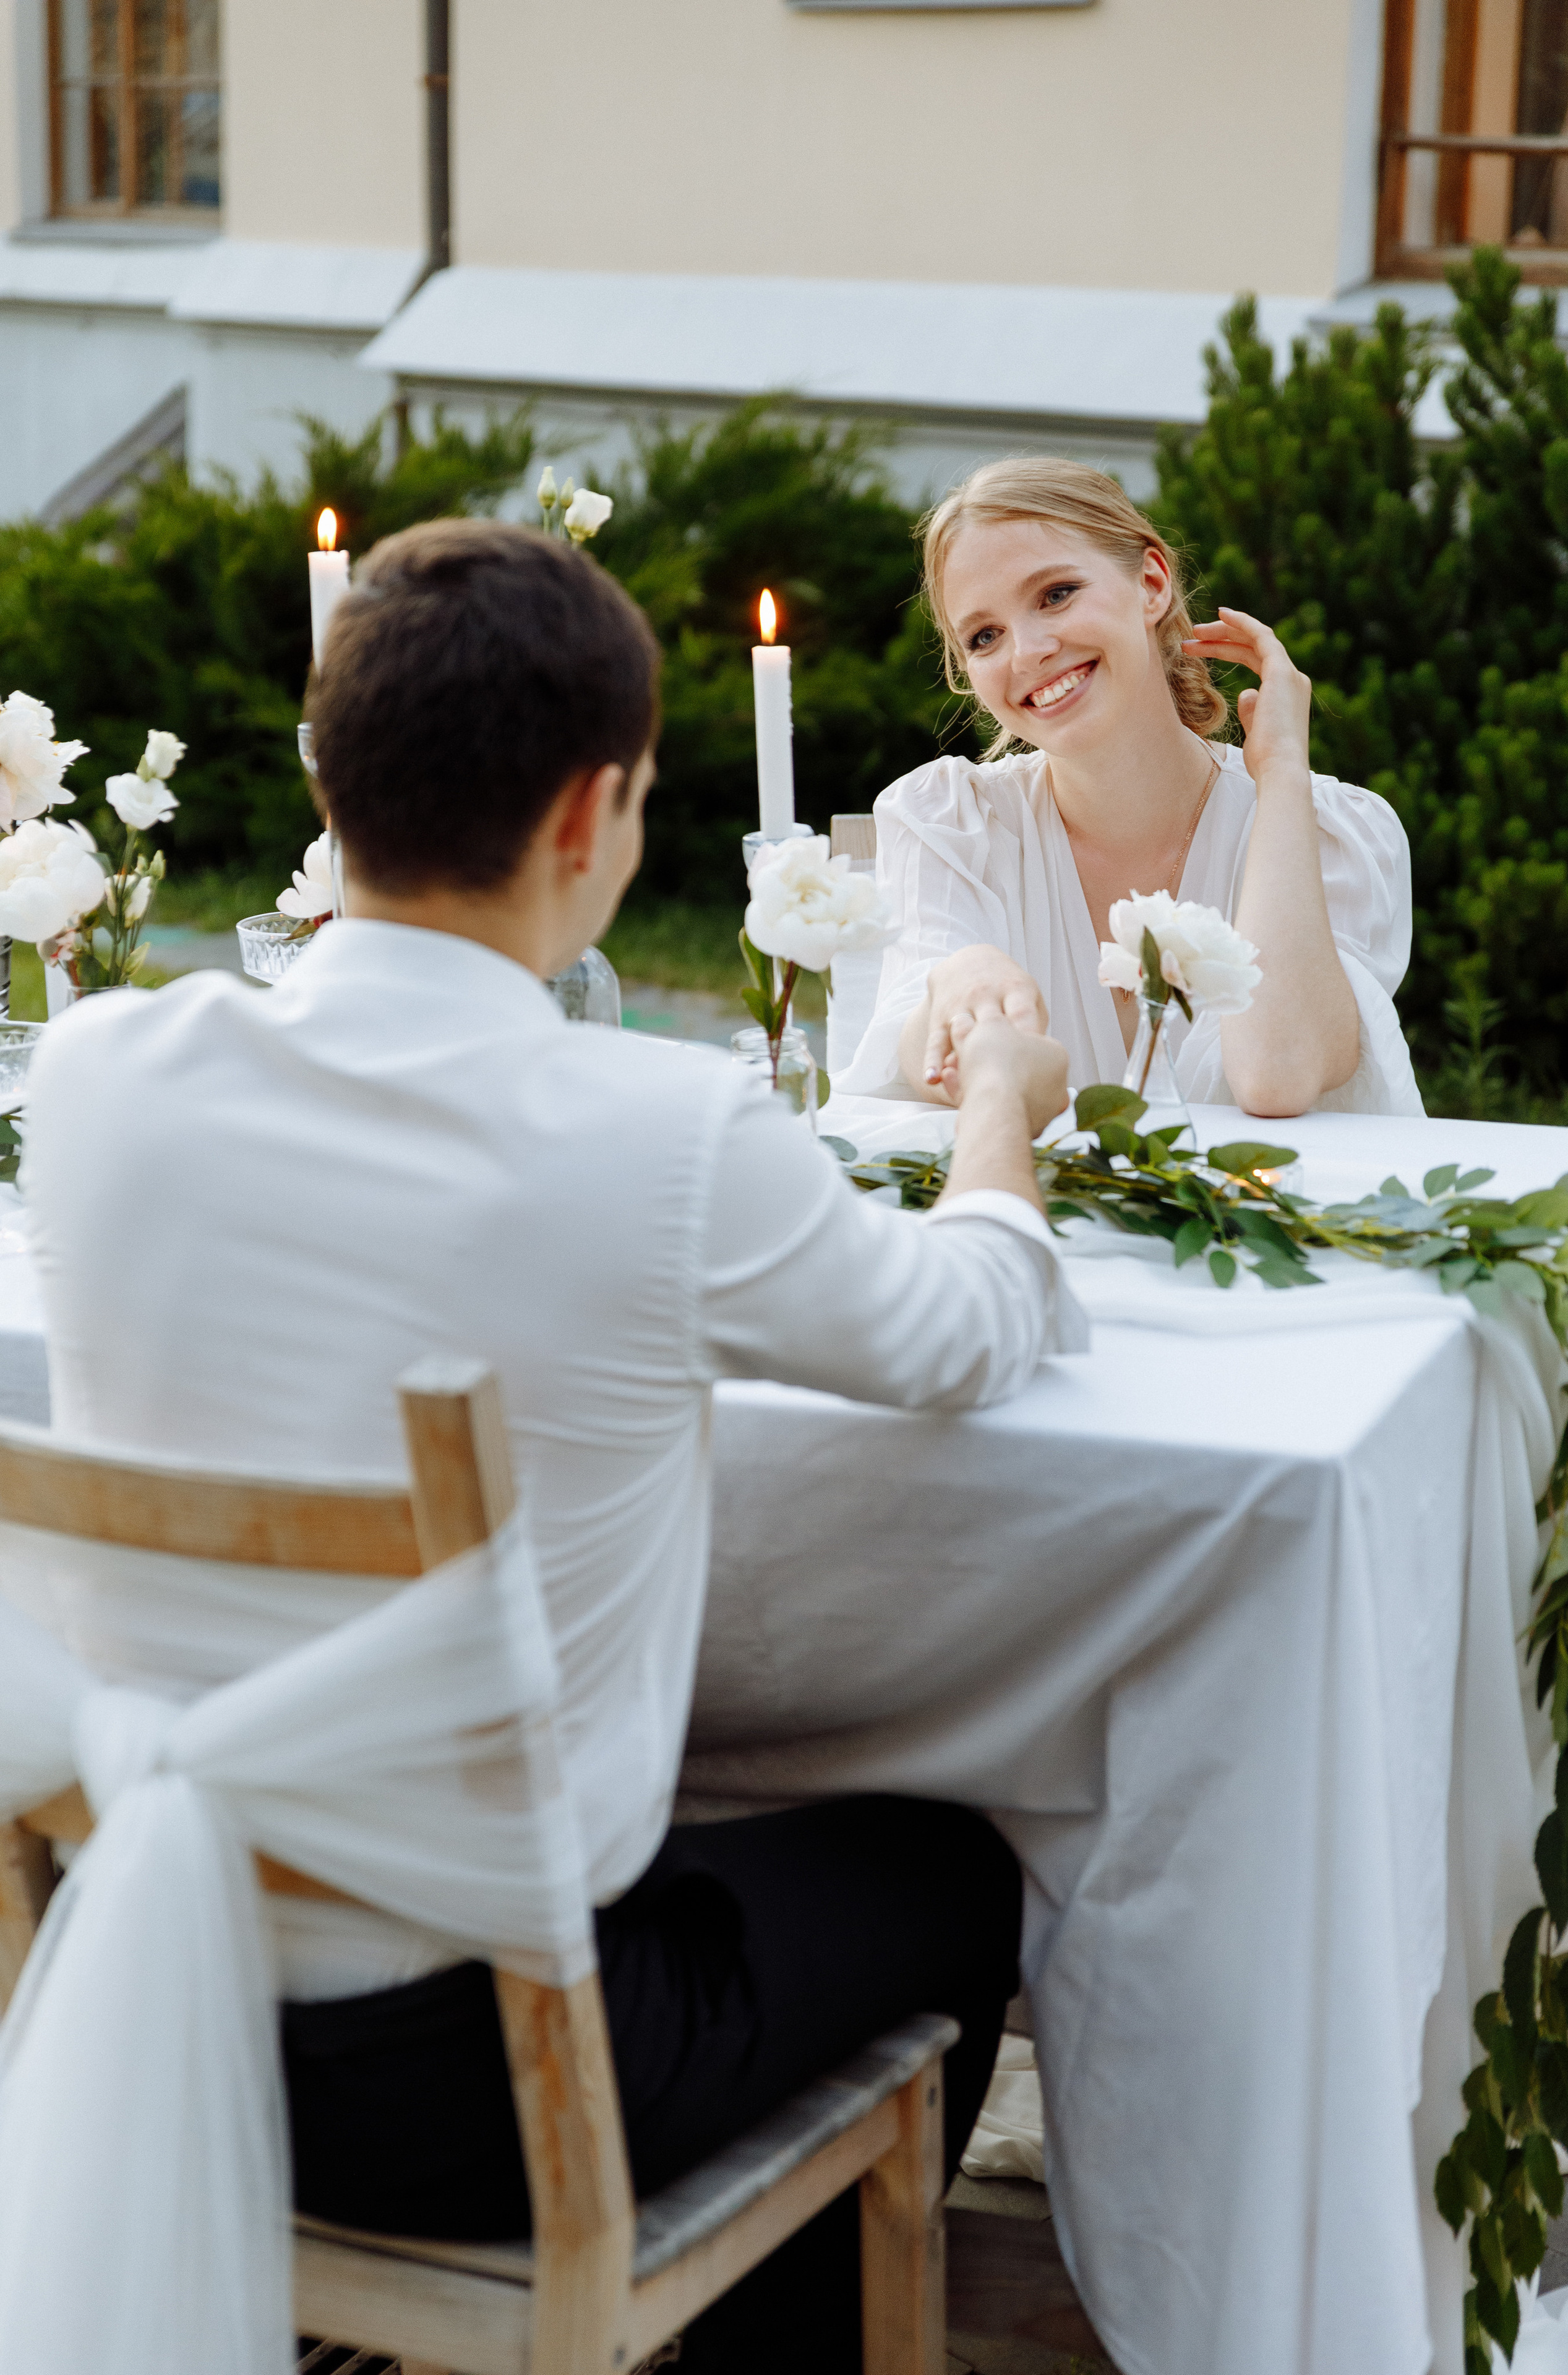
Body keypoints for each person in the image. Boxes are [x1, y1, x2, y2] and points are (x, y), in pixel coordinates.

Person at [23, 518, 1079, 2374]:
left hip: (128, 1983)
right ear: (592, 812)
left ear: (325, 778)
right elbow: (969, 1331)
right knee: (946, 1864)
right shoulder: (659, 1131)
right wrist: (998, 1095)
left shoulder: (98, 1075)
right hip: (479, 2092)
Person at [836, 458, 1423, 1121]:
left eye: (1055, 594)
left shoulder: (1330, 831)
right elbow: (926, 1058)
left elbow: (1276, 1076)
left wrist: (1283, 772)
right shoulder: (950, 824)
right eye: (985, 636)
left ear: (1151, 584)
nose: (1027, 652)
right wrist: (959, 976)